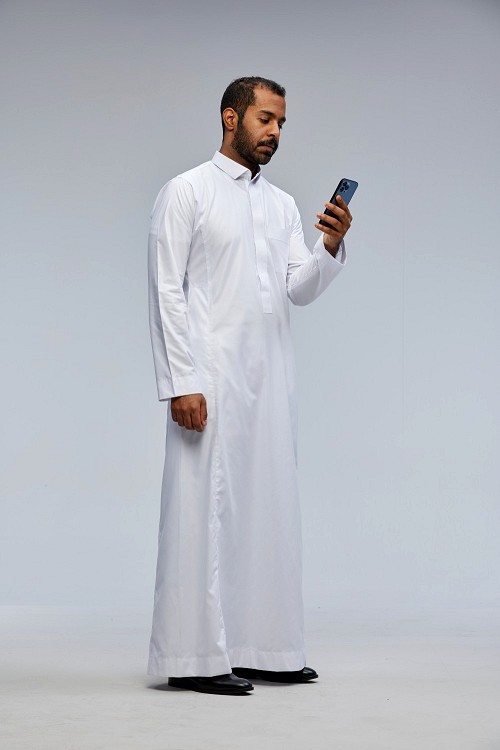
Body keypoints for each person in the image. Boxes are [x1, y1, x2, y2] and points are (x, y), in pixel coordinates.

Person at [147, 76, 352, 696]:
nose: (275, 133)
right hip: (208, 380)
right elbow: (166, 290)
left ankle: (266, 648)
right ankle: (195, 658)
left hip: (270, 379)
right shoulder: (187, 191)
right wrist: (181, 381)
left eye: (282, 123)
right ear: (230, 118)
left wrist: (331, 244)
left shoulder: (282, 205)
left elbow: (298, 288)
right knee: (202, 513)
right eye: (266, 119)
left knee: (269, 509)